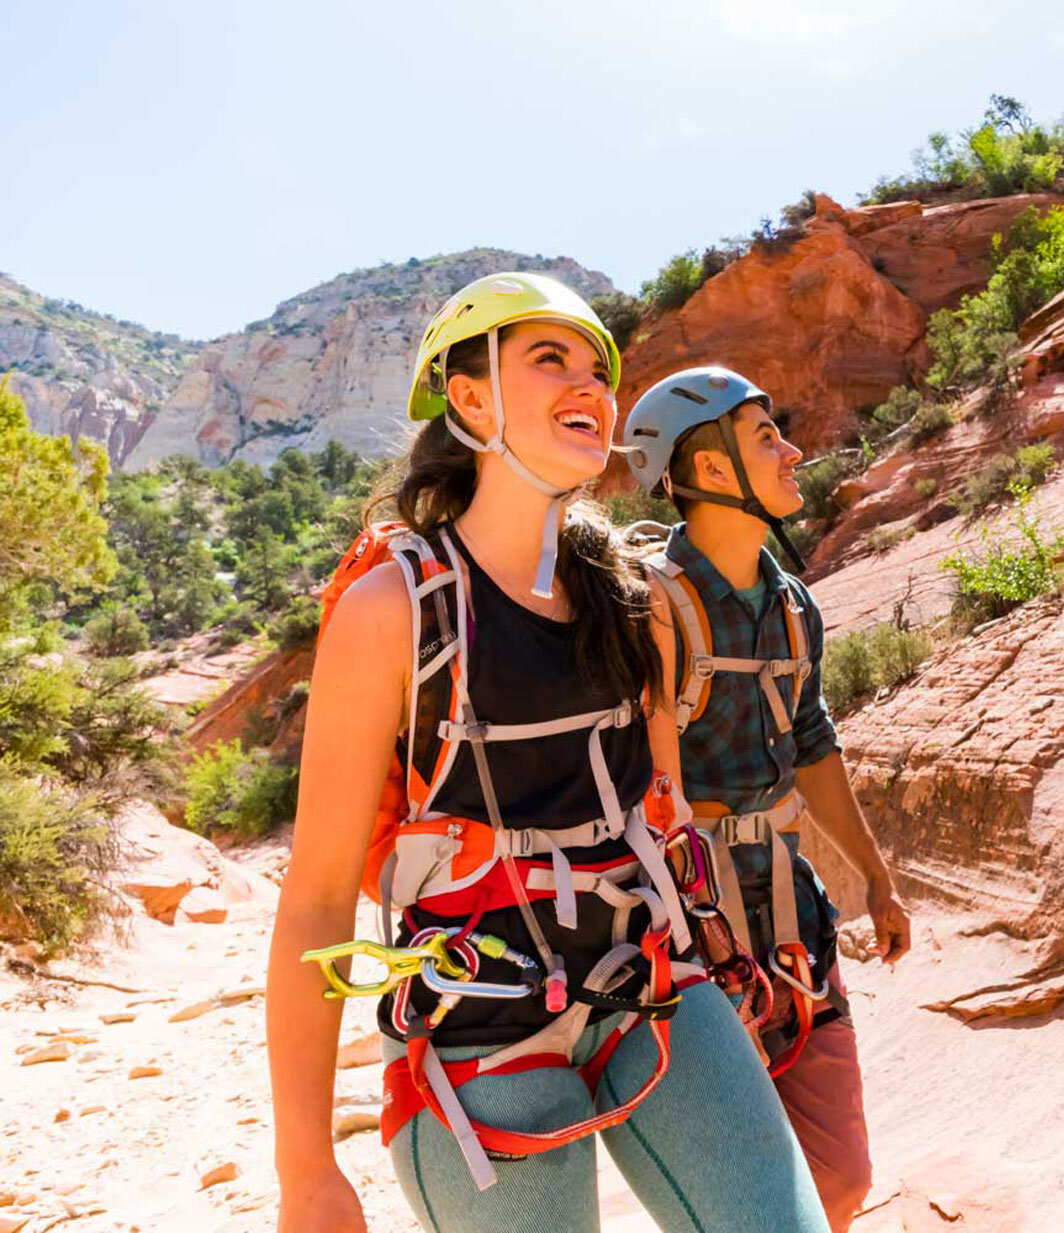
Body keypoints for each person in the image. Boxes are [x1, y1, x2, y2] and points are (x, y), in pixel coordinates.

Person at [266, 274, 827, 1233]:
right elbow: (317, 894)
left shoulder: (631, 595)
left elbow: (663, 806)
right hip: (478, 1016)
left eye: (598, 370)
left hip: (648, 976)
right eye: (549, 359)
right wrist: (307, 1170)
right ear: (470, 397)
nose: (589, 386)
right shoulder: (392, 609)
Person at [621, 366, 914, 1231]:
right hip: (686, 937)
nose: (793, 451)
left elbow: (813, 740)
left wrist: (874, 876)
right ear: (710, 472)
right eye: (765, 438)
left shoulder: (793, 605)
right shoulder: (648, 608)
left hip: (794, 920)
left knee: (841, 1180)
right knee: (746, 1203)